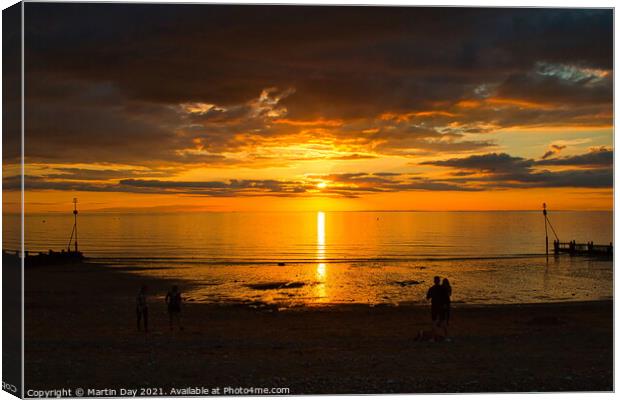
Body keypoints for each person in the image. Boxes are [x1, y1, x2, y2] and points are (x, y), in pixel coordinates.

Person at [426, 276, 446, 341]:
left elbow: (428, 297)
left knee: (434, 322)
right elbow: (446, 297)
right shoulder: (442, 288)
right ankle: (444, 336)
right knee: (442, 321)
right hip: (441, 306)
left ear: (434, 281)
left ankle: (433, 337)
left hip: (434, 306)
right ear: (439, 281)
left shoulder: (432, 288)